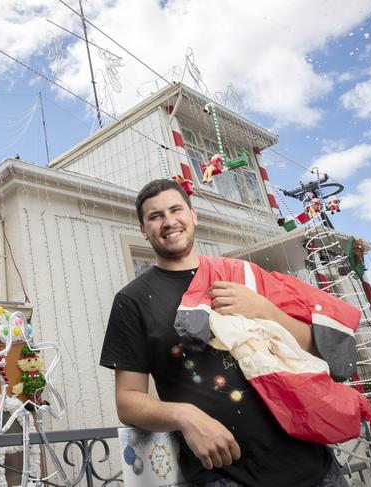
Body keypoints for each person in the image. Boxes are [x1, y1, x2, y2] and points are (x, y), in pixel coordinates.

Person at [100, 178, 352, 486]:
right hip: (224, 475)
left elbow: (316, 350)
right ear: (143, 229)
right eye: (155, 216)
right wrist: (185, 416)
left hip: (315, 465)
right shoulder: (132, 301)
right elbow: (128, 400)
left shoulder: (242, 274)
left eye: (175, 210)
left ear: (193, 215)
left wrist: (265, 310)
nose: (168, 222)